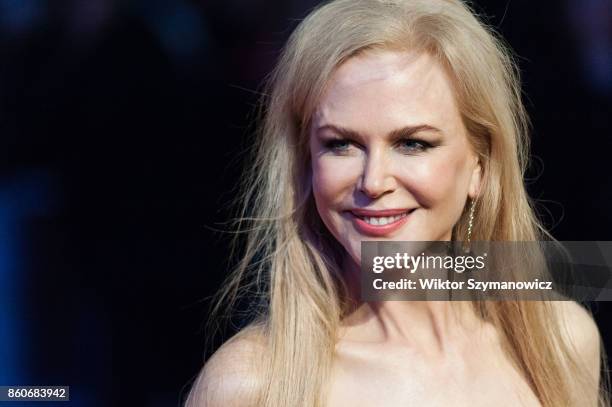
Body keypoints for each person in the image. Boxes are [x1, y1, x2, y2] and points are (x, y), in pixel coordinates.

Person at [185, 0, 608, 406]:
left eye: (412, 143)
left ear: (480, 166)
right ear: (306, 161)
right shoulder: (252, 384)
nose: (373, 181)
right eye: (342, 144)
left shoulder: (562, 342)